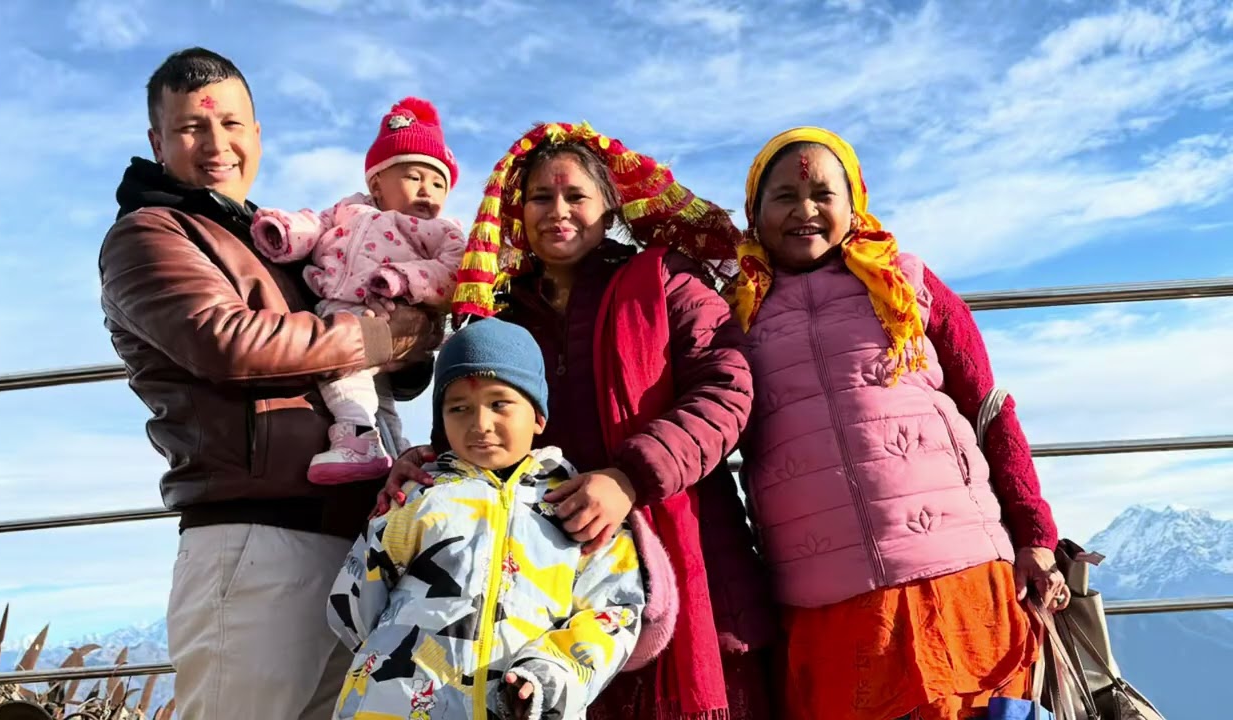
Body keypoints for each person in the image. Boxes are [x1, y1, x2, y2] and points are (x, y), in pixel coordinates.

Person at [377, 122, 778, 719]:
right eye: (540, 197)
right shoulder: (502, 315)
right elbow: (471, 426)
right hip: (546, 569)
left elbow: (727, 387)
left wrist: (629, 478)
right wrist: (432, 465)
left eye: (575, 197)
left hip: (683, 541)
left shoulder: (666, 279)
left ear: (609, 205)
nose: (557, 212)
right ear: (518, 208)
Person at [97, 47, 441, 720]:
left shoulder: (273, 241)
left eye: (231, 125)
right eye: (192, 128)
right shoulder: (149, 233)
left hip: (353, 544)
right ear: (157, 141)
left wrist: (411, 331)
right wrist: (388, 334)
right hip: (254, 542)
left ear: (257, 134)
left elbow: (398, 374)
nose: (216, 144)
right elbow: (227, 344)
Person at [726, 126, 1068, 720]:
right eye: (783, 196)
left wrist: (1035, 534)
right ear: (755, 212)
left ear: (853, 201)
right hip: (825, 595)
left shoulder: (904, 281)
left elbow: (988, 408)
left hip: (959, 577)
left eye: (824, 195)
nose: (804, 210)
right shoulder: (735, 311)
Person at [328, 318, 678, 719]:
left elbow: (613, 611)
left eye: (500, 404)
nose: (480, 424)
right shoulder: (419, 496)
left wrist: (551, 674)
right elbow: (352, 606)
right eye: (458, 407)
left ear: (538, 417)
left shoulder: (577, 505)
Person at [252, 96, 466, 484]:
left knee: (342, 374)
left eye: (439, 183)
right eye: (415, 177)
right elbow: (312, 225)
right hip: (336, 304)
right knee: (378, 400)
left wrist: (403, 279)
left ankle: (357, 439)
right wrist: (284, 231)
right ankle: (396, 454)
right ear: (377, 184)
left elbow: (452, 271)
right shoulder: (349, 210)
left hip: (380, 313)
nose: (428, 191)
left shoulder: (438, 230)